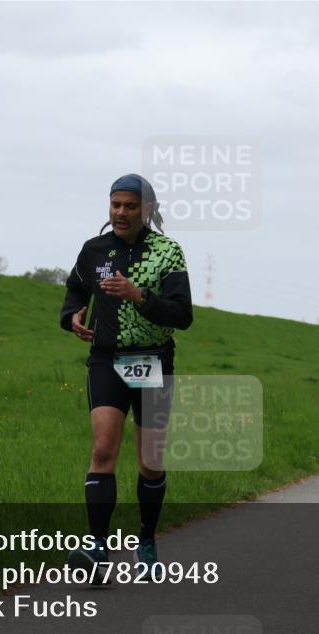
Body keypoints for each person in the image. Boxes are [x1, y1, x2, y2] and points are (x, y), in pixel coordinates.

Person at [60, 174, 193, 579]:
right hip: (106, 359)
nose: (121, 213)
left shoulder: (167, 253)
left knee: (150, 463)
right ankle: (97, 549)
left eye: (130, 206)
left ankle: (147, 542)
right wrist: (73, 318)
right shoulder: (94, 250)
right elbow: (75, 293)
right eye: (115, 205)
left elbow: (182, 315)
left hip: (153, 361)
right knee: (103, 451)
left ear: (147, 210)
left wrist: (139, 295)